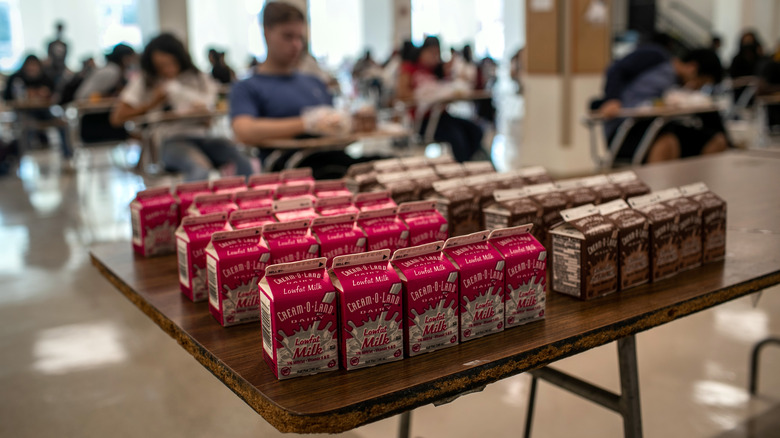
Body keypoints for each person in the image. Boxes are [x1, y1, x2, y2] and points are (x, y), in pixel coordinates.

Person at [110, 33, 252, 181]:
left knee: (241, 159)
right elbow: (117, 117)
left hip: (203, 137)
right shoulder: (145, 81)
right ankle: (192, 203)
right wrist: (153, 103)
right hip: (171, 140)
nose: (167, 70)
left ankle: (248, 200)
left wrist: (203, 113)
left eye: (171, 63)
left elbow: (212, 108)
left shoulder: (197, 77)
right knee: (200, 168)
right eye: (161, 66)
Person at [230, 1, 345, 169]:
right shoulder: (248, 87)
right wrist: (306, 124)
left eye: (300, 38)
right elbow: (245, 130)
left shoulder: (314, 82)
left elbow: (333, 124)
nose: (296, 45)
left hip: (333, 158)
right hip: (290, 167)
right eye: (288, 36)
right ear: (267, 33)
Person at [597, 47, 728, 163]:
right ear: (692, 68)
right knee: (667, 142)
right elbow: (616, 68)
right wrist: (612, 98)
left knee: (716, 141)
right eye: (702, 82)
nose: (698, 88)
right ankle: (660, 189)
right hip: (627, 128)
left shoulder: (680, 88)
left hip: (660, 125)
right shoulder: (656, 57)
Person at [396, 36, 483, 162]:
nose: (435, 57)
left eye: (437, 54)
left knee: (475, 130)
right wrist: (424, 96)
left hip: (441, 116)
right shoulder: (409, 68)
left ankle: (468, 164)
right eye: (432, 53)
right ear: (422, 51)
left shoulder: (434, 71)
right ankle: (463, 167)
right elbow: (402, 95)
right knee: (457, 136)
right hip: (423, 121)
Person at [3, 55, 71, 158]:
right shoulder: (16, 78)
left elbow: (55, 96)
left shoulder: (45, 77)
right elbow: (8, 97)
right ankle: (20, 157)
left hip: (44, 110)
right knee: (26, 127)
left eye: (34, 66)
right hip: (24, 111)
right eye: (29, 66)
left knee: (63, 123)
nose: (32, 68)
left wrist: (46, 95)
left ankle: (67, 155)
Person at [45, 21, 69, 91]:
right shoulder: (51, 44)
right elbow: (49, 58)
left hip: (61, 70)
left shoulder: (65, 45)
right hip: (52, 70)